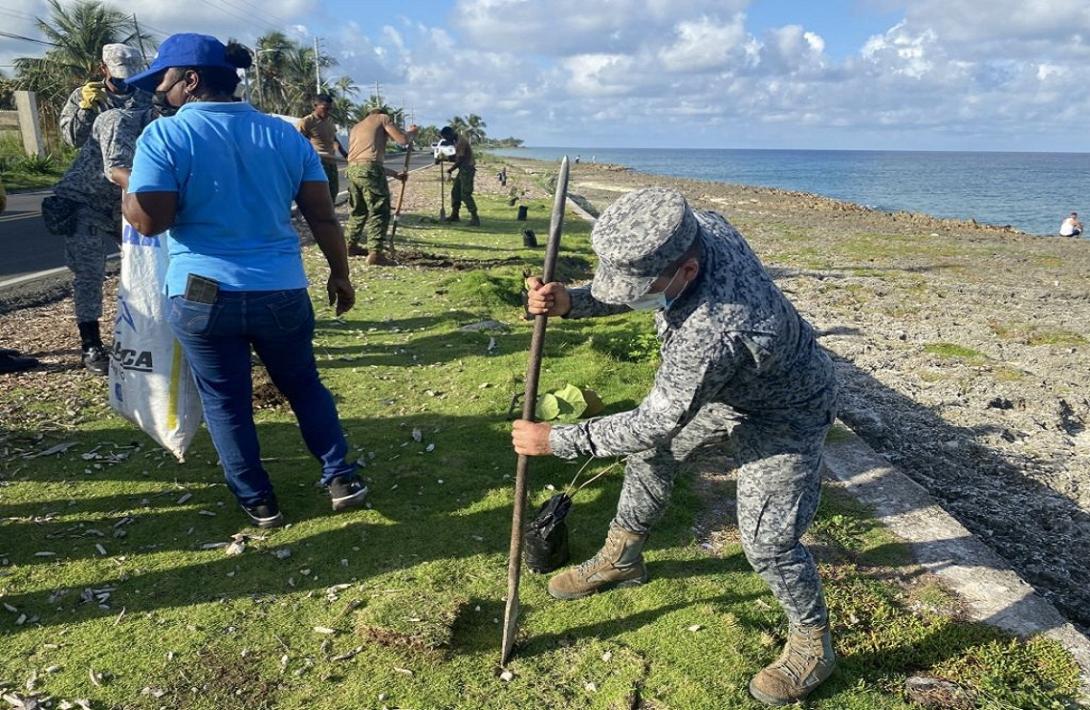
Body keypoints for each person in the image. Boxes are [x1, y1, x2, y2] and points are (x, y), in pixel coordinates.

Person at [513, 188, 839, 706]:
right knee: (649, 461)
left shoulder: (717, 330)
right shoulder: (695, 225)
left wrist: (557, 440)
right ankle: (622, 558)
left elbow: (654, 422)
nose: (630, 296)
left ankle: (811, 641)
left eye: (639, 289)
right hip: (727, 386)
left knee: (768, 541)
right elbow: (634, 287)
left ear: (686, 271)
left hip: (787, 406)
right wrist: (572, 299)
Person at [123, 33, 366, 527]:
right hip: (280, 288)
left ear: (190, 81)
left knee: (225, 400)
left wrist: (130, 186)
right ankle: (341, 476)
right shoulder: (283, 136)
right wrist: (340, 275)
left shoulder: (165, 136)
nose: (160, 92)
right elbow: (322, 217)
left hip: (201, 294)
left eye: (164, 81)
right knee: (303, 385)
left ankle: (259, 500)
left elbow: (150, 222)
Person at [50, 102, 160, 374]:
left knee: (149, 266)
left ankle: (152, 333)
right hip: (86, 202)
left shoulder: (154, 110)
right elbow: (117, 170)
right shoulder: (117, 118)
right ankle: (91, 345)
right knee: (90, 274)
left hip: (120, 204)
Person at [344, 108, 418, 265]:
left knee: (358, 210)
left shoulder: (357, 127)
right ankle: (375, 253)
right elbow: (402, 140)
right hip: (368, 171)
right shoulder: (382, 118)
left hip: (352, 170)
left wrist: (395, 175)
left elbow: (365, 164)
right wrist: (411, 133)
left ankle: (349, 245)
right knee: (379, 210)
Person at [59, 44, 150, 148]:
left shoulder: (148, 96)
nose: (125, 81)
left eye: (131, 76)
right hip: (99, 163)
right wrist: (87, 110)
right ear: (103, 68)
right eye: (119, 76)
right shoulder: (81, 96)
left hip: (141, 162)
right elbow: (73, 141)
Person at [297, 94, 348, 203]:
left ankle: (330, 214)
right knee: (321, 191)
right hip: (318, 161)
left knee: (333, 190)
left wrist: (345, 154)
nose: (328, 111)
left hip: (331, 160)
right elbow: (299, 142)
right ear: (315, 106)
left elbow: (334, 139)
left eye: (330, 109)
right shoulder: (307, 122)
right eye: (325, 108)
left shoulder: (329, 121)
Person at [440, 125, 479, 226]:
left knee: (465, 194)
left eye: (446, 137)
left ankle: (475, 218)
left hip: (467, 170)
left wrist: (450, 170)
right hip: (463, 169)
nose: (446, 139)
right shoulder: (455, 141)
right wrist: (443, 158)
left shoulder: (460, 141)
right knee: (455, 192)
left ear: (451, 133)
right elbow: (455, 158)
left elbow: (460, 160)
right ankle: (455, 215)